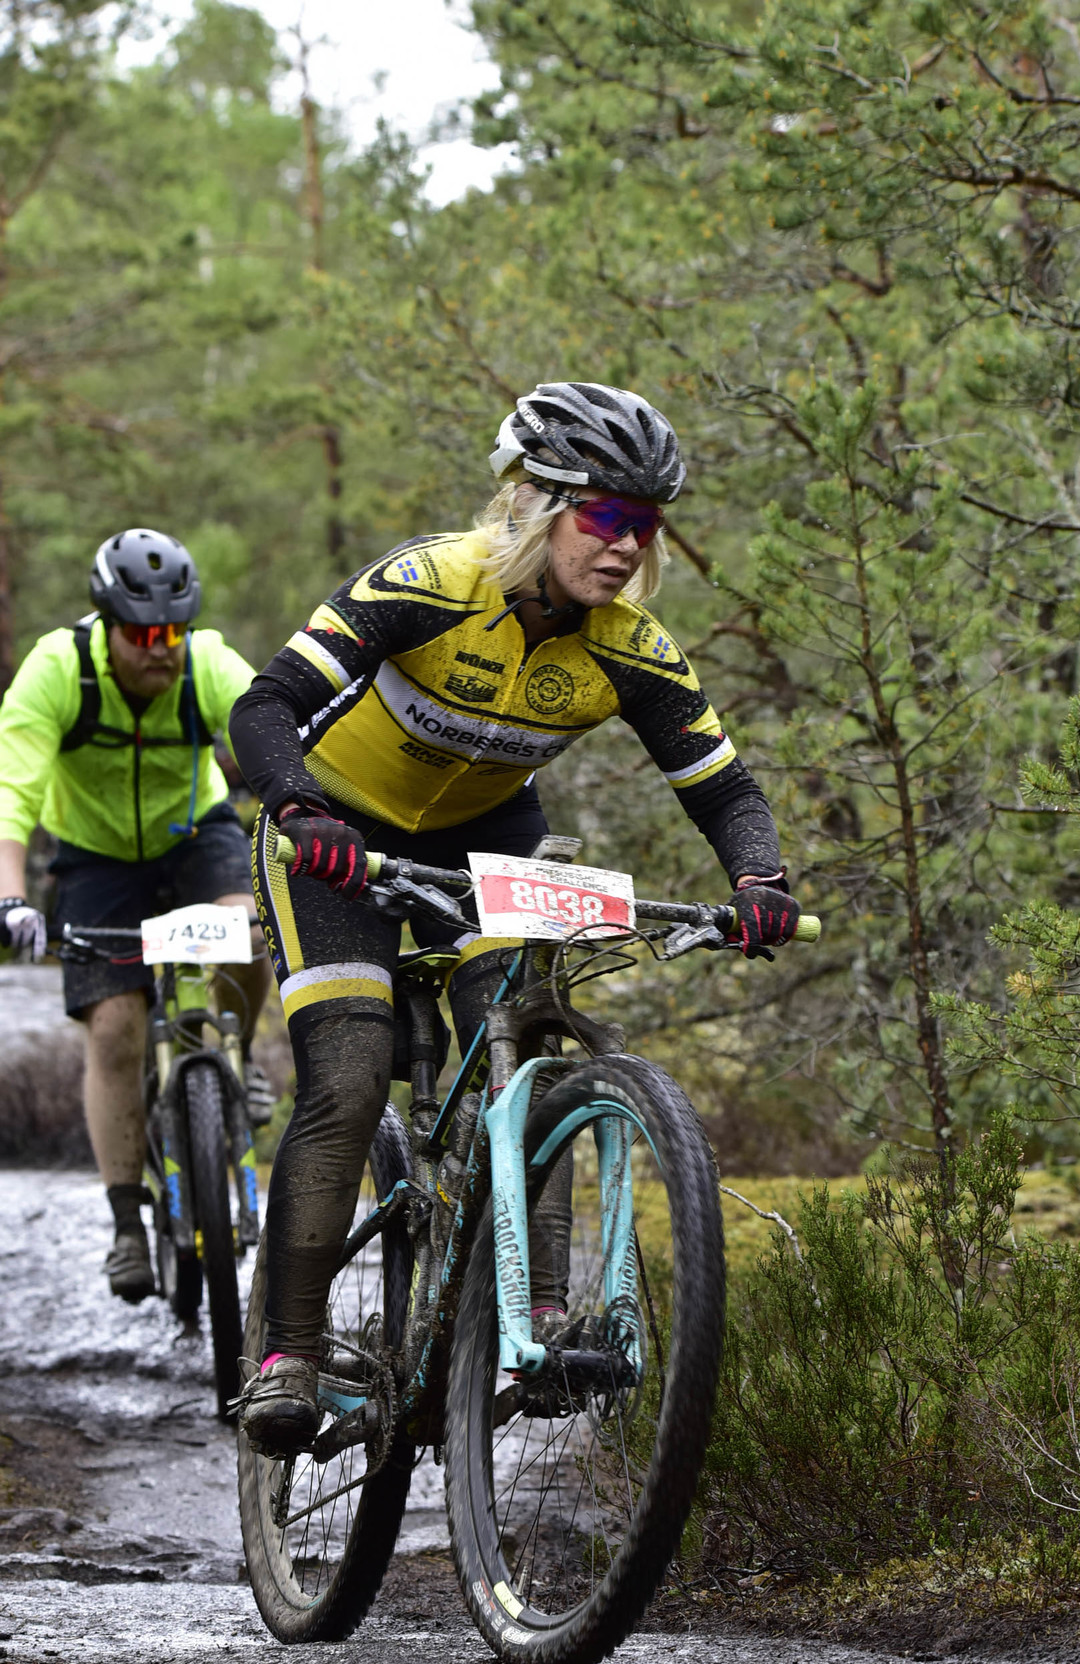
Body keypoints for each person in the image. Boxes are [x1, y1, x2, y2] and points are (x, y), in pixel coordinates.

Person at [229, 380, 801, 1454]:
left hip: (487, 839)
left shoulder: (629, 645)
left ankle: (535, 1318)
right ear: (536, 503)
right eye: (606, 515)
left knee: (529, 1046)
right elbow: (264, 706)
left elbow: (723, 788)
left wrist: (759, 880)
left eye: (647, 524)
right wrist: (300, 807)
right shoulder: (429, 583)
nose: (627, 545)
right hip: (332, 834)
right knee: (348, 1074)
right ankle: (286, 1352)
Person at [0, 527, 273, 1301]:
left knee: (250, 931)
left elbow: (268, 730)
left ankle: (238, 1053)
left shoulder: (206, 661)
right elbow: (12, 793)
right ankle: (127, 1222)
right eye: (145, 635)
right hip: (95, 857)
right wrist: (10, 895)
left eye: (175, 633)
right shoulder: (58, 670)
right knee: (115, 1027)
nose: (164, 649)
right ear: (108, 624)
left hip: (195, 836)